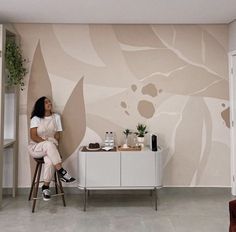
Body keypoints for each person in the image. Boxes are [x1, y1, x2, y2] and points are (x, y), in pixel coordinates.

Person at [28, 96, 75, 201]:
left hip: (51, 147)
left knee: (49, 161)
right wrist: (48, 143)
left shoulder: (56, 117)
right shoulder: (36, 118)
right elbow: (33, 136)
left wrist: (55, 146)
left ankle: (45, 188)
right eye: (46, 102)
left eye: (49, 102)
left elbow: (57, 134)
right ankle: (62, 171)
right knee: (49, 144)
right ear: (41, 106)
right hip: (36, 147)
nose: (49, 103)